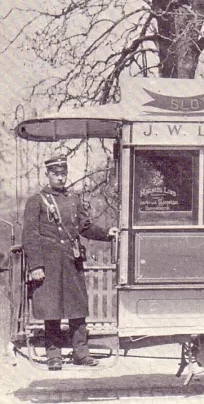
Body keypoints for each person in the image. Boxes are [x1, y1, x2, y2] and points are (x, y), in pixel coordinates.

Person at [22, 155, 118, 370]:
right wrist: (36, 265)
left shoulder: (74, 199)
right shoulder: (36, 200)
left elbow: (85, 227)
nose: (60, 177)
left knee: (77, 308)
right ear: (47, 175)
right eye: (56, 173)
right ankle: (53, 355)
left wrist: (106, 233)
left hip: (71, 261)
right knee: (51, 308)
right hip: (49, 263)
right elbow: (30, 235)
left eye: (63, 173)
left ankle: (81, 353)